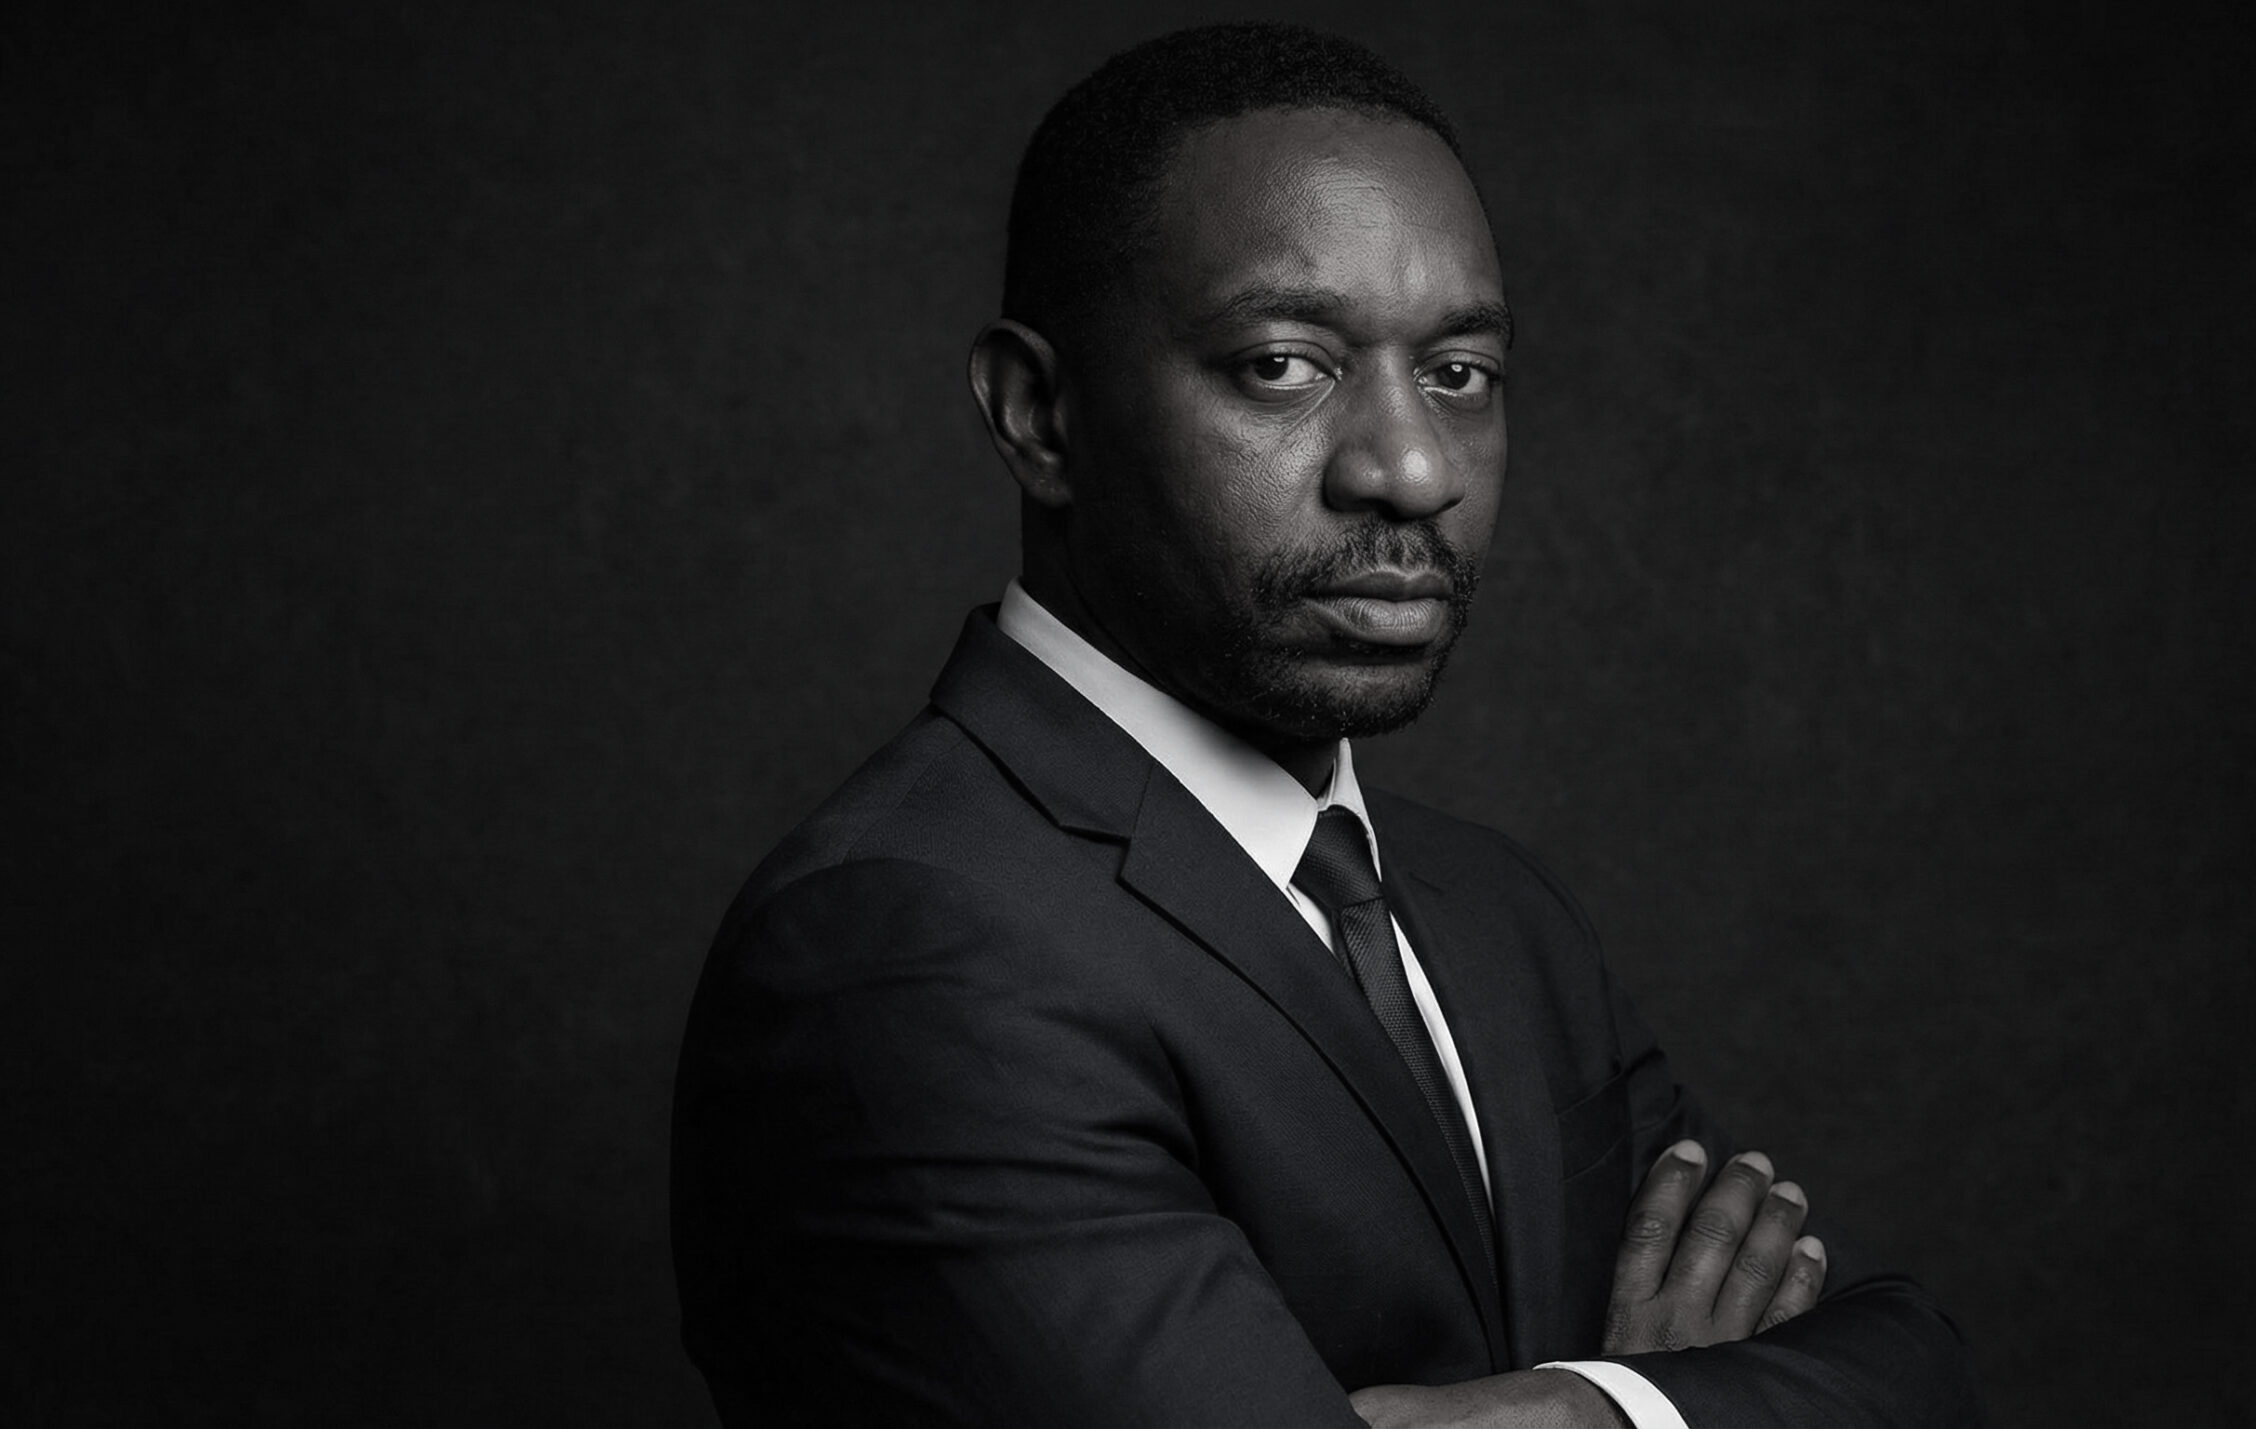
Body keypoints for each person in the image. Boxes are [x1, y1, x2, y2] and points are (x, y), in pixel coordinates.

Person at [671, 23, 1979, 1427]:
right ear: (1040, 414)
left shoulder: (1502, 922)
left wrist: (1592, 1411)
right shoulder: (902, 943)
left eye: (1459, 374)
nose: (1411, 469)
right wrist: (1686, 1395)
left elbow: (1914, 1368)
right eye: (1284, 366)